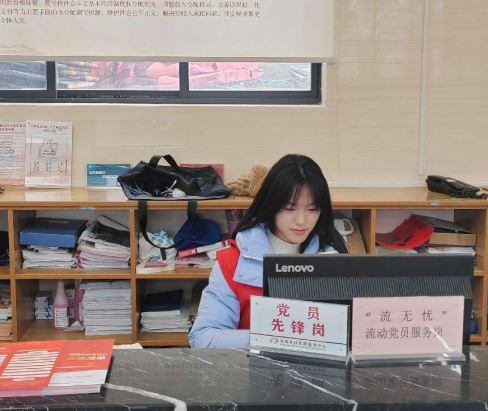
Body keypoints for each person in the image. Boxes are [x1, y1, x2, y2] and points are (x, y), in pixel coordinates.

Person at [189, 154, 348, 348]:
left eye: (312, 209)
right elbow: (203, 338)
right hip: (251, 365)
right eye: (290, 208)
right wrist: (277, 339)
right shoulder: (232, 262)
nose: (301, 220)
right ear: (272, 205)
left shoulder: (334, 258)